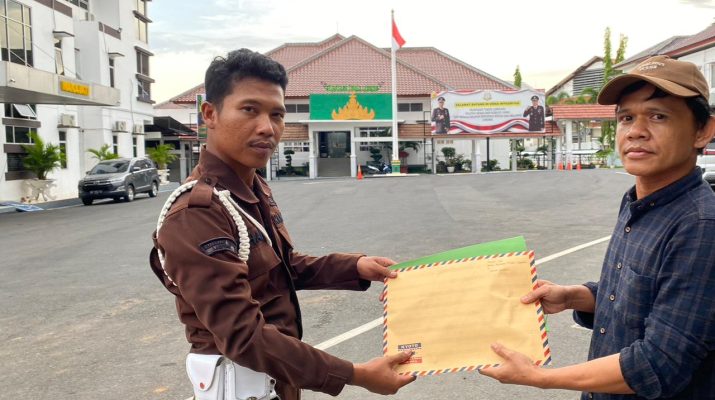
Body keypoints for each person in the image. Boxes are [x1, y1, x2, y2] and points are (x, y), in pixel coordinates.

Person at [149, 49, 415, 400]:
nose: (267, 127)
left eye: (277, 114)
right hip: (240, 389)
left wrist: (354, 266)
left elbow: (282, 268)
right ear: (210, 114)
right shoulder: (196, 213)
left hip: (278, 383)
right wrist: (355, 375)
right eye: (250, 110)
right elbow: (243, 336)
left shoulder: (251, 188)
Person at [480, 55, 715, 399]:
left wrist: (540, 377)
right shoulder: (637, 201)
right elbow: (635, 295)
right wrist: (573, 296)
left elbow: (659, 364)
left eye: (658, 116)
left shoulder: (701, 226)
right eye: (626, 117)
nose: (635, 131)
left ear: (703, 130)